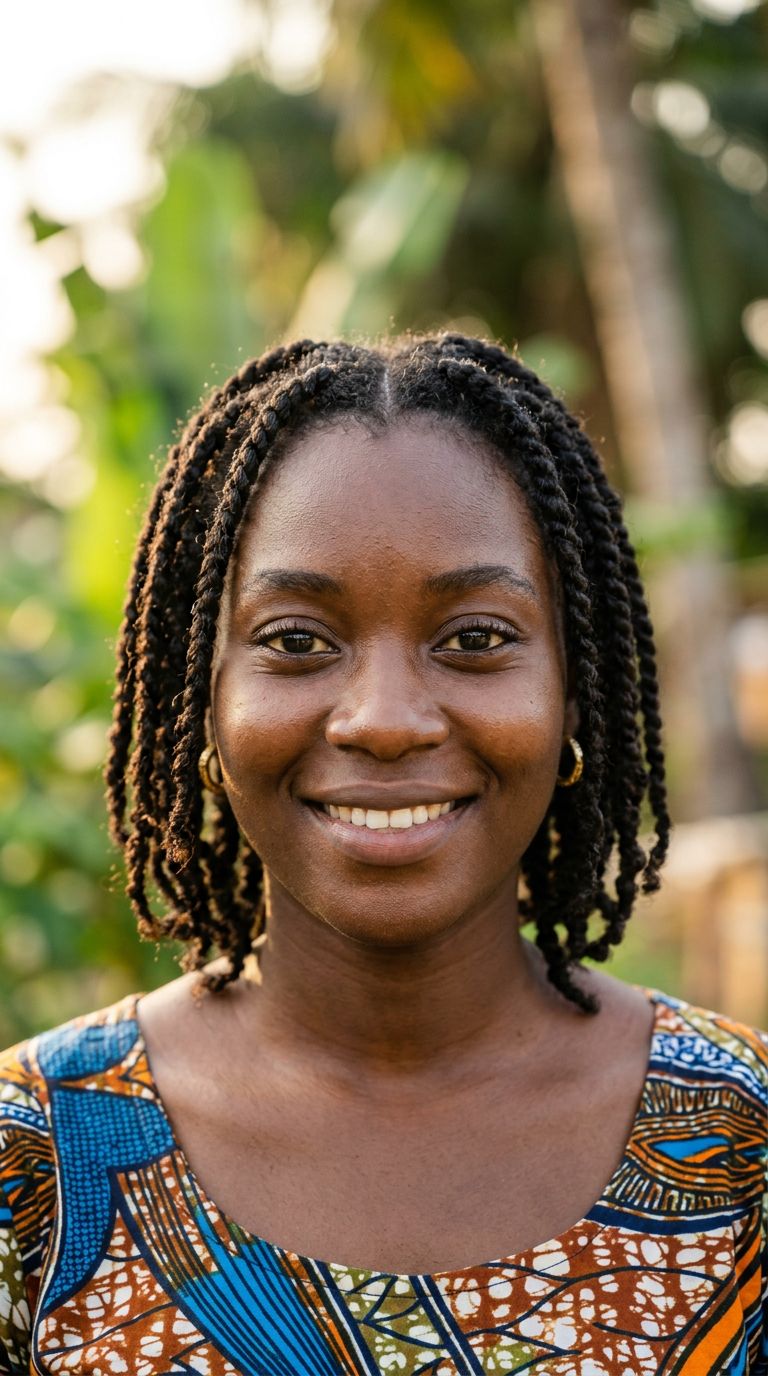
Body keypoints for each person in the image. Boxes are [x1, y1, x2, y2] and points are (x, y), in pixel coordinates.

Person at [0, 334, 765, 1375]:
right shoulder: (28, 1162)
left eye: (477, 637)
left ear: (572, 690)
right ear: (204, 700)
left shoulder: (744, 1150)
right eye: (298, 641)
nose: (386, 719)